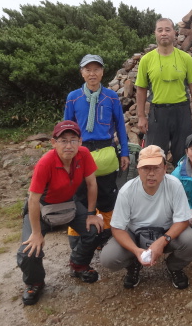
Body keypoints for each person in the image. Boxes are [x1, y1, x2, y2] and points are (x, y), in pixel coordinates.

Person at [16, 120, 104, 306]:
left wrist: (90, 213)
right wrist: (37, 233)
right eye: (63, 140)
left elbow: (92, 184)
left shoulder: (84, 155)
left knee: (94, 229)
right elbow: (33, 199)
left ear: (80, 142)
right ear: (53, 143)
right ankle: (35, 283)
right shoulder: (45, 163)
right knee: (29, 250)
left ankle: (78, 265)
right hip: (41, 206)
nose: (69, 145)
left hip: (68, 203)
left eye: (73, 140)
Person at [99, 145, 192, 290]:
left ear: (165, 169)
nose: (151, 174)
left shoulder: (174, 185)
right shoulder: (127, 191)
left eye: (156, 168)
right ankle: (133, 263)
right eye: (146, 168)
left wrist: (162, 241)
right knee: (109, 258)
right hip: (135, 235)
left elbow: (183, 220)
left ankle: (175, 267)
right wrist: (135, 250)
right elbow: (117, 228)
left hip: (166, 233)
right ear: (138, 169)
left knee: (191, 241)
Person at [64, 54, 129, 247]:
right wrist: (65, 154)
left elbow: (120, 127)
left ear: (102, 72)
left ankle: (105, 237)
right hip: (81, 154)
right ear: (82, 73)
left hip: (106, 153)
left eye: (96, 69)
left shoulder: (111, 97)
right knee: (80, 196)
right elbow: (67, 128)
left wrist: (124, 152)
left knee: (107, 196)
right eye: (88, 70)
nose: (92, 74)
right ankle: (78, 236)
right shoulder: (73, 98)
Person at [135, 18, 192, 164]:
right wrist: (141, 116)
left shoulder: (185, 58)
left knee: (184, 157)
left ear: (175, 33)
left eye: (167, 29)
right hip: (157, 114)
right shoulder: (147, 60)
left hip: (182, 113)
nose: (164, 33)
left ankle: (184, 185)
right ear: (155, 33)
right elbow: (141, 89)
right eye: (160, 30)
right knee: (155, 157)